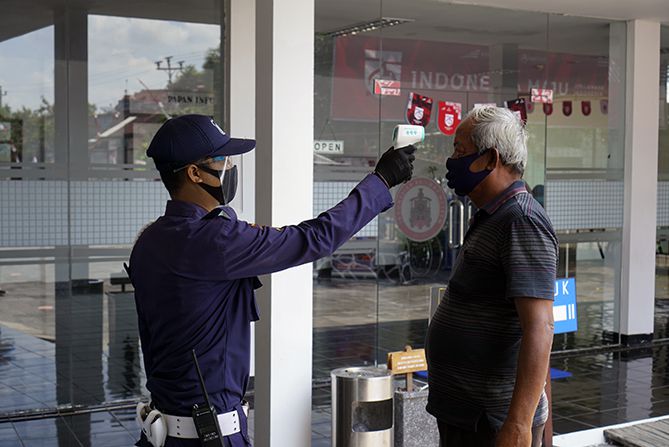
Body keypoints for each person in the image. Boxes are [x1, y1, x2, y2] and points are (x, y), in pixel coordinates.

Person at [127, 114, 415, 447]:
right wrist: (380, 181)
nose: (230, 167)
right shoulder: (214, 241)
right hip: (210, 437)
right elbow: (315, 238)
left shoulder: (149, 240)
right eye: (221, 160)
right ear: (194, 173)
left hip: (159, 434)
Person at [426, 106, 558, 447]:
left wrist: (518, 425)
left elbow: (540, 326)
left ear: (490, 158)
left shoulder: (522, 220)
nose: (451, 160)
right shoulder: (491, 215)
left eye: (460, 150)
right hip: (466, 415)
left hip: (492, 424)